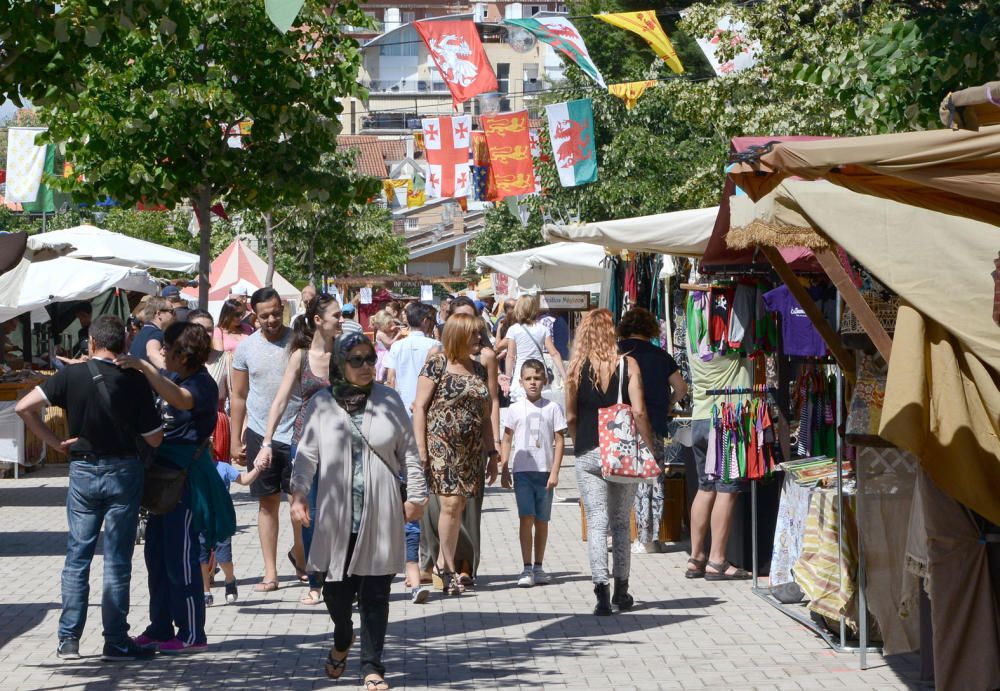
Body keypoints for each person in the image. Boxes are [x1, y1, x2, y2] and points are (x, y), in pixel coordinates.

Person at [16, 315, 164, 662]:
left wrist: (56, 442)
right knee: (116, 560)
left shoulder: (70, 375)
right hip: (124, 472)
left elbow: (24, 408)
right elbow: (155, 438)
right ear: (124, 345)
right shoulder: (134, 380)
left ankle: (68, 639)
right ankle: (115, 640)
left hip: (82, 470)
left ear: (92, 343)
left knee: (77, 557)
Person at [290, 332, 428, 689]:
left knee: (376, 594)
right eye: (357, 360)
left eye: (371, 359)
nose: (367, 366)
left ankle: (372, 666)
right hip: (336, 516)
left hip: (381, 512)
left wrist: (416, 495)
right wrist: (298, 494)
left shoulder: (390, 400)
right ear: (340, 364)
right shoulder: (321, 403)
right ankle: (342, 637)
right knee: (335, 595)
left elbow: (409, 451)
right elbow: (306, 455)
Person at [116, 321, 236, 653]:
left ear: (183, 354)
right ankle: (160, 627)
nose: (164, 353)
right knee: (156, 555)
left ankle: (192, 634)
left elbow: (181, 401)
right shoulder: (171, 376)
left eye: (169, 348)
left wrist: (143, 366)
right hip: (160, 480)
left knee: (181, 558)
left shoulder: (201, 384)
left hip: (184, 482)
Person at [565, 308, 655, 616]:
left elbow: (571, 416)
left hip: (588, 449)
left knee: (597, 521)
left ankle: (600, 592)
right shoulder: (628, 364)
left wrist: (579, 443)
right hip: (621, 452)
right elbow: (640, 411)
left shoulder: (576, 368)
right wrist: (649, 446)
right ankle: (622, 590)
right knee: (620, 521)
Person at [255, 293, 342, 605]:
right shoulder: (300, 356)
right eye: (336, 316)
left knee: (342, 512)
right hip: (304, 444)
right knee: (310, 512)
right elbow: (280, 400)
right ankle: (316, 581)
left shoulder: (346, 355)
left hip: (343, 444)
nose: (341, 320)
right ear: (318, 321)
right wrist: (266, 442)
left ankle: (343, 577)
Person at [413, 314, 499, 596]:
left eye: (479, 334)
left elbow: (485, 414)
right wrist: (422, 449)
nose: (479, 339)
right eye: (473, 334)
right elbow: (420, 408)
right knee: (449, 504)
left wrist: (492, 450)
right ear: (458, 335)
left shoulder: (478, 368)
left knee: (459, 505)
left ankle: (442, 562)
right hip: (442, 447)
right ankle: (446, 568)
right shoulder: (436, 364)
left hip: (471, 450)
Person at [230, 287, 302, 592]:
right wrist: (236, 438)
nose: (271, 319)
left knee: (300, 501)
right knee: (267, 503)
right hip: (262, 434)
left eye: (276, 312)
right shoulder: (245, 349)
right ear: (253, 314)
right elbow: (239, 395)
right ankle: (270, 572)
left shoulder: (299, 342)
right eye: (264, 315)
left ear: (283, 307)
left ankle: (302, 558)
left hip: (299, 432)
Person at [618, 307, 689, 553]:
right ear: (650, 329)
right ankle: (653, 538)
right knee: (654, 478)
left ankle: (630, 534)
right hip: (655, 422)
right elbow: (681, 388)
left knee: (627, 478)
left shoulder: (618, 352)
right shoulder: (661, 355)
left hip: (623, 426)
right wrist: (668, 404)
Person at [685, 351, 754, 581]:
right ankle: (717, 559)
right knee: (727, 488)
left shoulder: (694, 342)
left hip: (700, 417)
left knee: (705, 487)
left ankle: (696, 557)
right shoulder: (729, 342)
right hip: (726, 417)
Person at [499, 359, 566, 588]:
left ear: (544, 381)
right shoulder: (516, 408)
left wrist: (555, 472)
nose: (533, 383)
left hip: (545, 471)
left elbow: (559, 440)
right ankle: (526, 567)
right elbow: (507, 438)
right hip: (522, 472)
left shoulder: (552, 408)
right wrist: (504, 467)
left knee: (542, 520)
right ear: (521, 382)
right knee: (525, 518)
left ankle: (539, 565)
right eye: (528, 379)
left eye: (537, 378)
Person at [200, 458, 264, 606]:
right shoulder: (192, 467)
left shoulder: (223, 467)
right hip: (200, 520)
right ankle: (205, 591)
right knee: (201, 559)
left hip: (221, 521)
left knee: (224, 559)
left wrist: (258, 468)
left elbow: (244, 480)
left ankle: (230, 579)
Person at [503, 295, 567, 402]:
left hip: (522, 373)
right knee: (541, 407)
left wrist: (507, 379)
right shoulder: (543, 329)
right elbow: (554, 353)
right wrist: (565, 376)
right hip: (539, 372)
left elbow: (510, 356)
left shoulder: (513, 330)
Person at [187, 310, 231, 462]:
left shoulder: (225, 358)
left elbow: (236, 397)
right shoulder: (179, 360)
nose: (205, 334)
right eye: (199, 329)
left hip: (217, 423)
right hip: (188, 423)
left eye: (209, 329)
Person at [384, 302, 439, 413]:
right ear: (425, 321)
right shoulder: (436, 346)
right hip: (428, 404)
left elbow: (390, 379)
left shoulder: (396, 346)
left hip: (401, 404)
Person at [129, 296, 174, 369]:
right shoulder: (156, 333)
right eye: (171, 311)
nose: (174, 315)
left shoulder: (143, 331)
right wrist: (172, 372)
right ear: (159, 314)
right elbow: (151, 353)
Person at [370, 310, 404, 384]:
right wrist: (398, 335)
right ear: (382, 325)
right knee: (383, 372)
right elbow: (389, 343)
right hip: (384, 356)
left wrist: (394, 331)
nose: (390, 325)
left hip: (388, 354)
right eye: (388, 324)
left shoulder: (385, 331)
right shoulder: (380, 334)